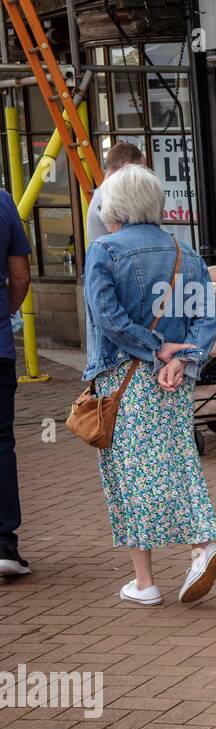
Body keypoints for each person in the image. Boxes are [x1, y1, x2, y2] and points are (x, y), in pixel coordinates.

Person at [82, 164, 216, 606]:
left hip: (122, 377)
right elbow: (210, 319)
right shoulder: (186, 254)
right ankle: (173, 564)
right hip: (173, 378)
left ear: (115, 207)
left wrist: (155, 348)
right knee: (175, 459)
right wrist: (182, 356)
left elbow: (108, 318)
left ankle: (169, 567)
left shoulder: (103, 250)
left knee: (131, 473)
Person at [0, 189, 33, 578]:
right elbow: (21, 276)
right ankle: (4, 543)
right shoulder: (4, 202)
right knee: (1, 442)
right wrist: (5, 311)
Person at [86, 142, 147, 244]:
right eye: (141, 170)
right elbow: (129, 243)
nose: (143, 176)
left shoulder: (102, 194)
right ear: (127, 167)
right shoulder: (110, 199)